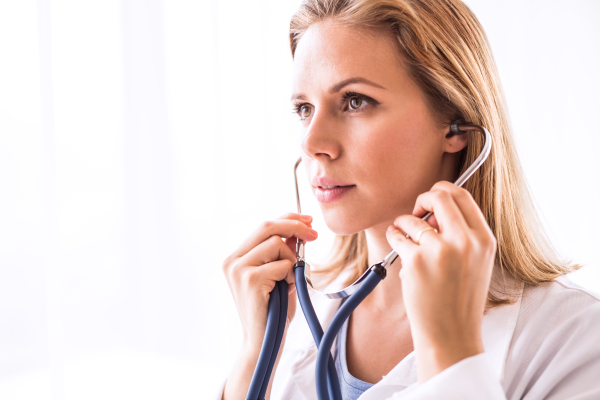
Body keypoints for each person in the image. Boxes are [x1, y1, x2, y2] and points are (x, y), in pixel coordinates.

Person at [217, 0, 600, 399]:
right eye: (304, 109)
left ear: (455, 124)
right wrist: (253, 362)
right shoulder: (287, 317)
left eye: (354, 101)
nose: (311, 143)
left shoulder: (575, 338)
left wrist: (451, 353)